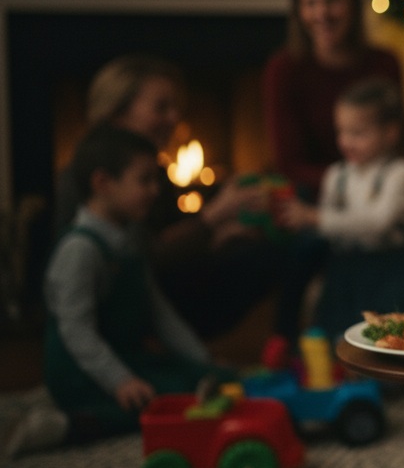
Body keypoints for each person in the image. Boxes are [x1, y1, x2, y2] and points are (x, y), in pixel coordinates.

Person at [7, 125, 225, 458]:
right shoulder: (80, 250)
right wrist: (119, 380)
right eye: (145, 180)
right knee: (164, 401)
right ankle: (70, 425)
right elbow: (76, 331)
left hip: (126, 355)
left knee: (201, 379)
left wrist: (203, 361)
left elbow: (159, 313)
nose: (155, 190)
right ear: (102, 184)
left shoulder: (131, 238)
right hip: (80, 372)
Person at [52, 55, 282, 340]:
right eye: (161, 108)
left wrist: (224, 231)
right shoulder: (90, 176)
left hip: (163, 282)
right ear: (118, 114)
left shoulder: (154, 169)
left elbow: (169, 231)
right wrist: (214, 216)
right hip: (126, 297)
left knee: (274, 244)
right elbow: (145, 257)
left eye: (175, 108)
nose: (174, 119)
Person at [277, 77, 404, 341]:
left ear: (390, 133)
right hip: (347, 271)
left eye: (358, 133)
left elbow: (377, 221)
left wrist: (315, 217)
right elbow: (331, 230)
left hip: (392, 270)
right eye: (342, 132)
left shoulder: (400, 173)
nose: (347, 141)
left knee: (391, 335)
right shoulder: (336, 175)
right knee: (338, 334)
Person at [264, 0, 404, 200]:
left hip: (379, 187)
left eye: (332, 0)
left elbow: (400, 144)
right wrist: (350, 183)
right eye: (310, 3)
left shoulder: (384, 63)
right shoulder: (284, 69)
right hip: (317, 192)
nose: (322, 13)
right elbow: (289, 165)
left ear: (353, 4)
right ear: (298, 12)